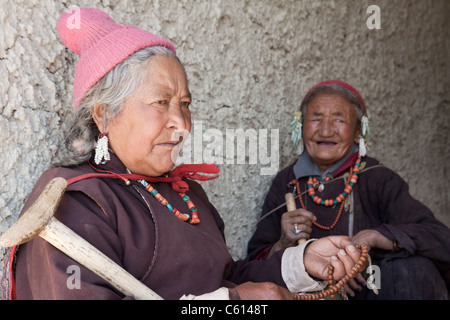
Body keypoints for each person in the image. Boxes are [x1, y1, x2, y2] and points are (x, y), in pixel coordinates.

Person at [3, 9, 363, 300]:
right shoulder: (73, 201)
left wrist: (300, 263)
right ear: (104, 114)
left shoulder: (187, 194)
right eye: (161, 102)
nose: (181, 124)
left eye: (185, 104)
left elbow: (225, 277)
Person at [246, 80, 450, 299]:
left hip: (371, 289)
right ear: (301, 127)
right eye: (316, 119)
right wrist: (283, 244)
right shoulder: (287, 182)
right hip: (311, 295)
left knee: (412, 270)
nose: (325, 130)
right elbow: (253, 266)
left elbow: (439, 238)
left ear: (358, 131)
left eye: (338, 119)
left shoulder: (377, 177)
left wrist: (376, 236)